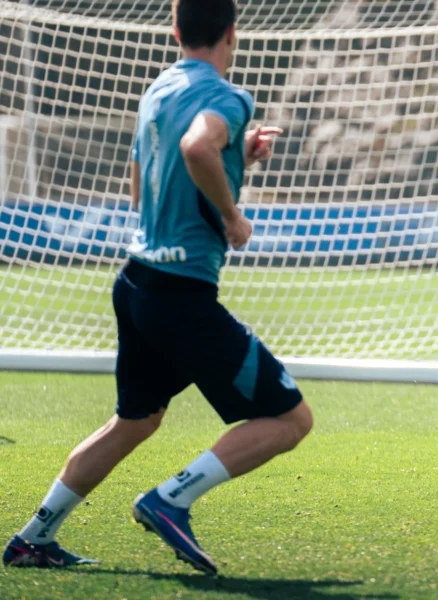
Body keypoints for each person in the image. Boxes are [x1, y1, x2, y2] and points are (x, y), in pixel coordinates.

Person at [2, 0, 312, 575]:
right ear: (232, 33)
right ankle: (171, 498)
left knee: (136, 421)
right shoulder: (229, 96)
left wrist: (238, 156)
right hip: (180, 296)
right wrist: (231, 215)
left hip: (138, 280)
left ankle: (31, 537)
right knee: (291, 420)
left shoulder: (158, 89)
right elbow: (196, 147)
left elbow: (148, 174)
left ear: (175, 30)